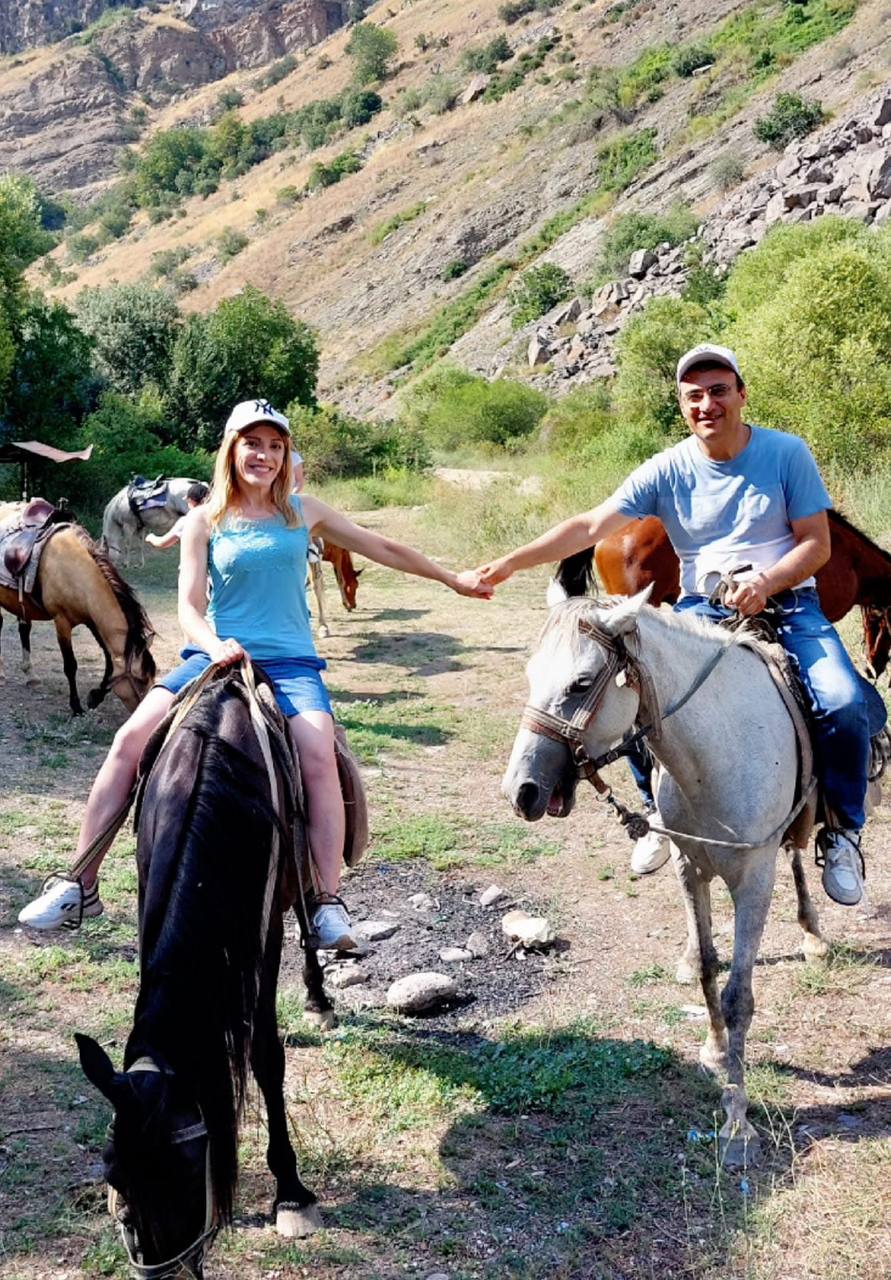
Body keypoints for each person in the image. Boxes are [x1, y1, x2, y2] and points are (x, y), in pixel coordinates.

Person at [19, 399, 492, 945]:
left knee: (317, 755)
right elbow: (189, 608)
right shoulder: (203, 520)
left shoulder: (304, 511)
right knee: (129, 739)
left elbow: (381, 546)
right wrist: (214, 645)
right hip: (211, 657)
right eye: (253, 443)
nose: (263, 455)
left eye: (274, 445)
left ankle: (324, 900)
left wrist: (451, 579)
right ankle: (79, 883)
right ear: (232, 450)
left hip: (291, 663)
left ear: (284, 454)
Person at [477, 344, 885, 907]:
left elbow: (816, 543)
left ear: (741, 394)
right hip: (703, 612)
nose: (707, 404)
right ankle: (654, 809)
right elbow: (592, 523)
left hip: (791, 606)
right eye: (694, 395)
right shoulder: (667, 468)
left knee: (843, 702)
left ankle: (841, 833)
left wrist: (766, 582)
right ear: (682, 405)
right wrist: (511, 562)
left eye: (719, 391)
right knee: (632, 695)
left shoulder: (786, 453)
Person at [144, 482, 209, 550]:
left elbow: (162, 543)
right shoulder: (218, 516)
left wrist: (151, 537)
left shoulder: (187, 521)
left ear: (190, 501)